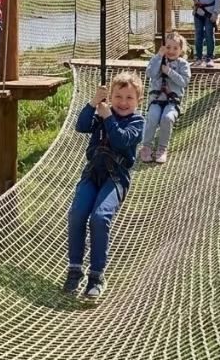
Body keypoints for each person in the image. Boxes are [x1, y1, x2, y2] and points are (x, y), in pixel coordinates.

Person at [63, 72, 145, 298]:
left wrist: (108, 116)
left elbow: (121, 140)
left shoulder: (137, 122)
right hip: (91, 174)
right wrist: (92, 103)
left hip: (115, 178)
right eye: (118, 96)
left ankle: (97, 275)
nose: (123, 102)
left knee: (100, 218)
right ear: (110, 96)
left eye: (129, 98)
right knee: (77, 214)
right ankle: (74, 270)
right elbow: (81, 126)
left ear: (138, 102)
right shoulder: (101, 115)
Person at [139, 32, 191, 164]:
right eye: (168, 47)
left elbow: (184, 82)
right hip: (156, 99)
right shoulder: (158, 59)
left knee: (167, 118)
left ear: (181, 50)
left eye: (175, 48)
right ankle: (146, 146)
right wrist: (158, 57)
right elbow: (150, 73)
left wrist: (169, 72)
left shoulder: (183, 64)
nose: (171, 51)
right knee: (152, 116)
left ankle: (162, 148)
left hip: (172, 102)